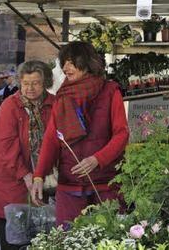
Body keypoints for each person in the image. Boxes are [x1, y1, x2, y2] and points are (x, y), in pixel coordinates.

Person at [31, 41, 129, 226]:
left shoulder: (110, 91)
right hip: (70, 182)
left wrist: (97, 159)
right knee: (69, 238)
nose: (66, 67)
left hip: (105, 182)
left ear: (86, 62)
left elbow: (121, 134)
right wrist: (39, 176)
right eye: (64, 63)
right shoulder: (63, 95)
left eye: (71, 62)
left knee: (107, 239)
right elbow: (52, 139)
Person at [0, 60, 55, 250]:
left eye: (36, 83)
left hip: (47, 182)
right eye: (26, 83)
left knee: (43, 240)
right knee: (14, 240)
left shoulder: (54, 104)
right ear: (19, 83)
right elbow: (5, 147)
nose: (30, 88)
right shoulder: (9, 106)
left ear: (45, 82)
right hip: (13, 183)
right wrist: (27, 176)